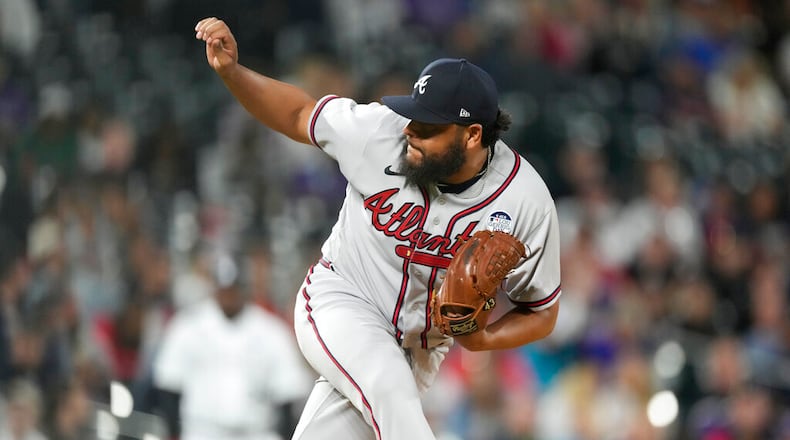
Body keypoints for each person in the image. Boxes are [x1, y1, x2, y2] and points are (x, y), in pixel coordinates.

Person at [194, 16, 562, 440]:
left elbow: (543, 312)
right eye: (412, 117)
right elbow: (298, 113)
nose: (410, 131)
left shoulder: (525, 202)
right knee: (390, 392)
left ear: (473, 135)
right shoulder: (377, 131)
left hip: (419, 349)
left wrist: (484, 340)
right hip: (342, 300)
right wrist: (234, 73)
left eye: (427, 127)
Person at [152, 251, 314, 440]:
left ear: (244, 288)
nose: (229, 295)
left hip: (256, 433)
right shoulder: (188, 326)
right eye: (224, 288)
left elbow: (288, 395)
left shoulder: (271, 331)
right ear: (214, 287)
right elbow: (168, 387)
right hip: (201, 431)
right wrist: (173, 433)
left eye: (234, 288)